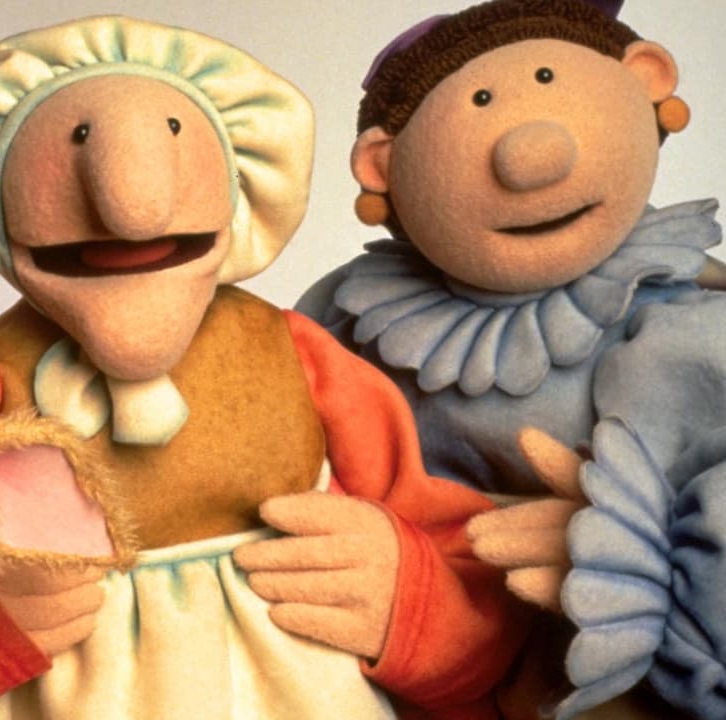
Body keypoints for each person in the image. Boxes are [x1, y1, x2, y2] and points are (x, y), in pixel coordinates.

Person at [0, 15, 527, 719]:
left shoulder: (292, 352)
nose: (130, 211)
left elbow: (449, 537)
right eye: (77, 139)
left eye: (173, 132)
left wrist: (410, 602)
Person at [295, 0, 725, 715]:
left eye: (549, 79)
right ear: (381, 168)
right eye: (482, 103)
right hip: (426, 646)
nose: (529, 158)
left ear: (647, 79)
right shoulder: (348, 322)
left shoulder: (690, 318)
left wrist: (634, 552)